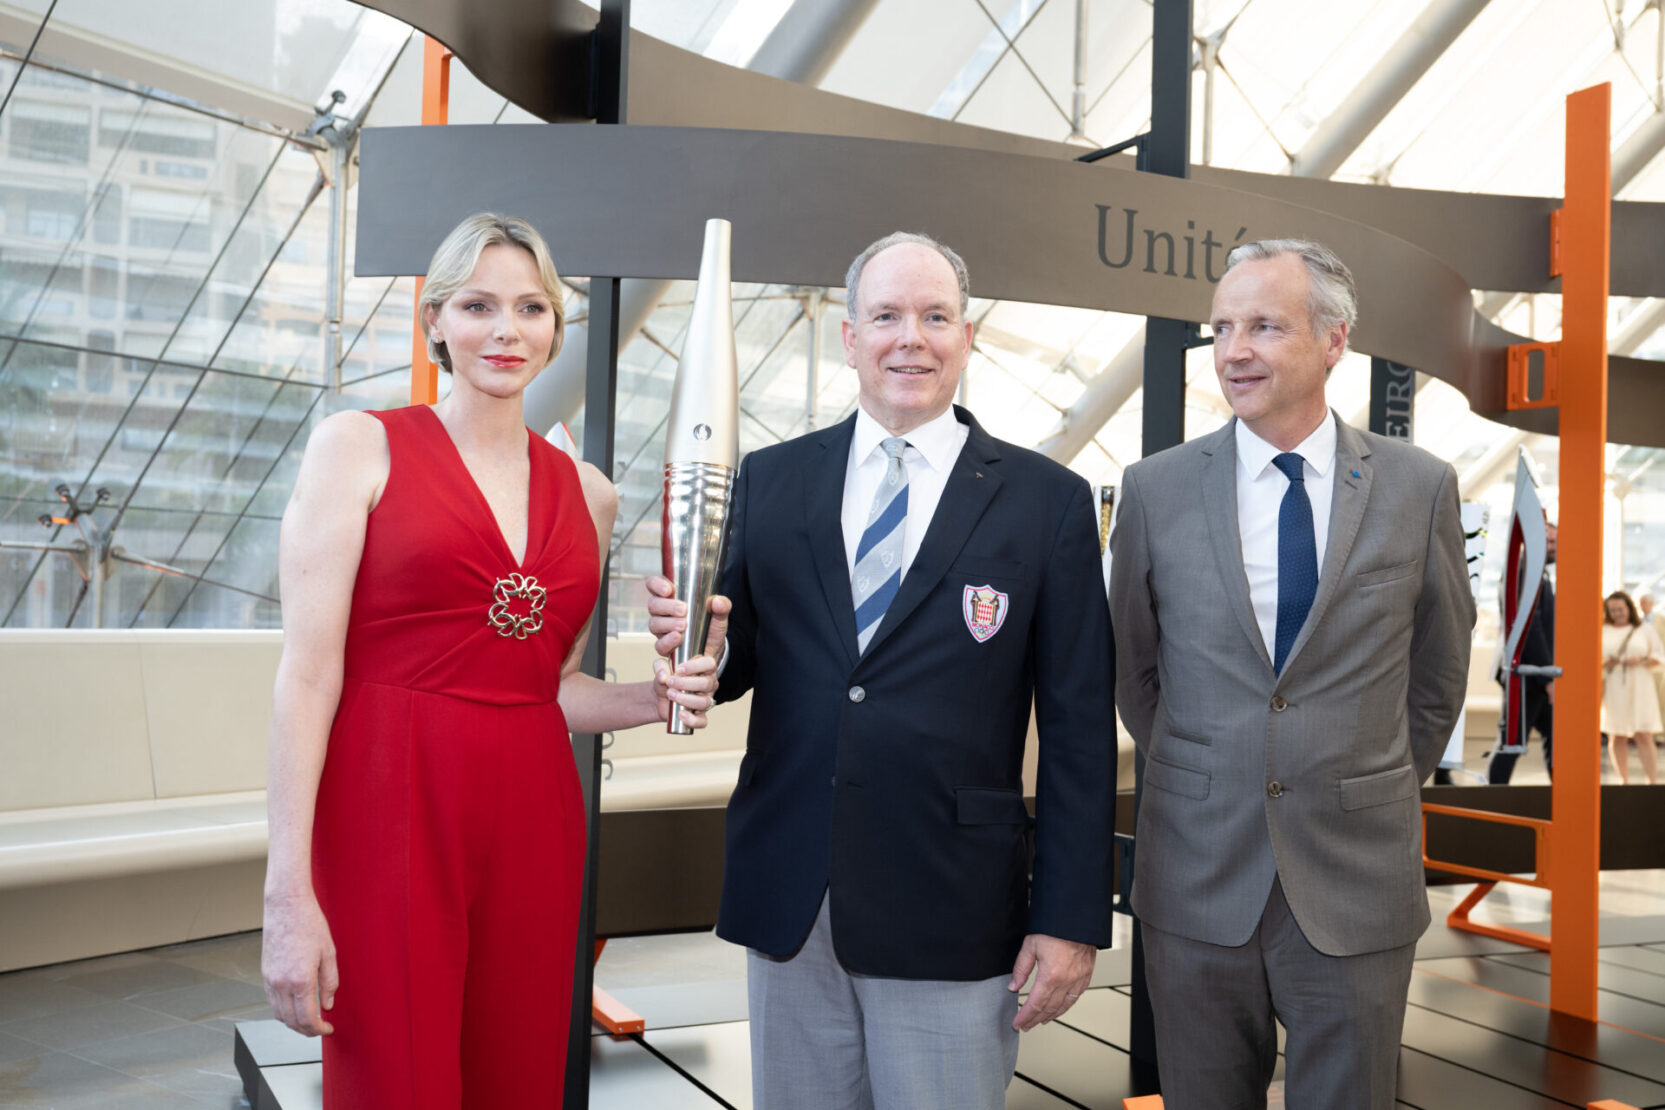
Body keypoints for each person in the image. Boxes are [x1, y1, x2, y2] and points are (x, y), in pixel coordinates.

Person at [261, 213, 721, 1105]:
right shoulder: (358, 446)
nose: (506, 330)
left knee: (517, 1072)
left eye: (531, 308)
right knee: (395, 1074)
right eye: (477, 305)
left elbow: (547, 689)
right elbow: (307, 675)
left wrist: (657, 693)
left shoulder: (589, 494)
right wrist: (288, 893)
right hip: (386, 805)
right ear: (435, 320)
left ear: (556, 326)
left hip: (533, 815)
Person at [651, 231, 1117, 1109]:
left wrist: (1068, 918)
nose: (913, 337)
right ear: (849, 337)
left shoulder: (1044, 501)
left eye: (936, 316)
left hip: (954, 902)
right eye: (887, 316)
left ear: (966, 337)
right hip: (794, 895)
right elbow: (737, 657)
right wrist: (696, 649)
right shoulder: (772, 479)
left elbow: (1079, 730)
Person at [1109, 239, 1474, 1109]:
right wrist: (1213, 772)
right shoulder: (1154, 489)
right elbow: (1132, 667)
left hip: (1356, 879)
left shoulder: (1417, 487)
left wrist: (1355, 777)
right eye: (1223, 328)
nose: (1234, 350)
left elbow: (1436, 676)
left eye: (1264, 326)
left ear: (1333, 340)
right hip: (1196, 877)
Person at [1489, 521, 1556, 783]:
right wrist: (1548, 676)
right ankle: (1491, 805)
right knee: (1510, 745)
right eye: (1550, 542)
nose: (1554, 548)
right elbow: (1529, 626)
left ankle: (1562, 805)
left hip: (1537, 675)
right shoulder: (1523, 570)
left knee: (1556, 742)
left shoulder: (1536, 572)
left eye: (1555, 542)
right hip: (1528, 676)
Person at [1603, 590, 1662, 784]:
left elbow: (1660, 656)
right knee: (1616, 733)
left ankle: (1651, 781)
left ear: (1629, 608)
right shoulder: (1603, 630)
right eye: (1613, 610)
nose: (1617, 613)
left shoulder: (1644, 629)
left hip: (1640, 685)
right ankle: (1623, 780)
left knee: (1643, 733)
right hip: (1615, 687)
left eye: (1620, 609)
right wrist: (1606, 663)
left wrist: (1642, 659)